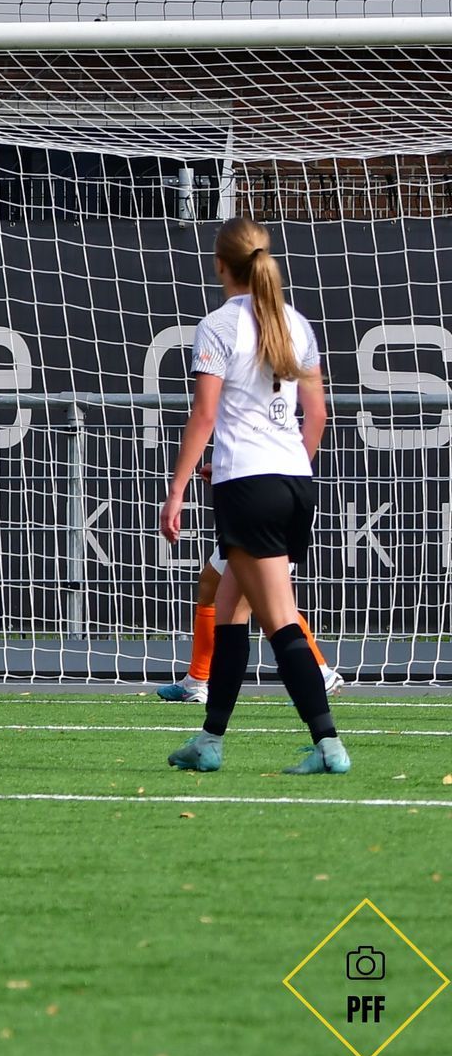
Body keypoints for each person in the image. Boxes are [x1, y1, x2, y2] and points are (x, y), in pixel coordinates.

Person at [160, 219, 348, 775]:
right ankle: (209, 740)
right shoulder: (296, 323)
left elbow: (204, 415)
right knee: (230, 612)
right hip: (293, 482)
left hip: (249, 486)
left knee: (280, 622)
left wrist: (176, 490)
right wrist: (282, 468)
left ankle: (328, 743)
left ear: (220, 264)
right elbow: (316, 416)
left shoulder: (218, 325)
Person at [155, 547, 341, 703]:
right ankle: (196, 680)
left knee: (267, 601)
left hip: (265, 523)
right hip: (246, 523)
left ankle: (319, 674)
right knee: (210, 584)